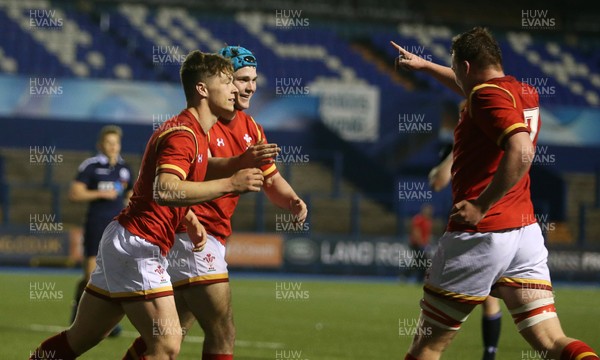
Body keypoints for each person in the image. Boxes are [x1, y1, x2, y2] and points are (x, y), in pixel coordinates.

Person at [29, 50, 265, 359]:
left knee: (79, 339)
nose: (236, 89)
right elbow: (166, 189)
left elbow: (167, 189)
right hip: (139, 246)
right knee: (166, 346)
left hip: (127, 241)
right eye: (227, 82)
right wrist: (232, 183)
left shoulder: (195, 132)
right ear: (202, 89)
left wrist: (190, 220)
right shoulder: (184, 134)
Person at [391, 27, 598, 360]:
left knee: (427, 346)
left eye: (456, 66)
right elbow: (473, 90)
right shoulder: (523, 91)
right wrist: (426, 66)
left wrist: (480, 205)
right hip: (525, 234)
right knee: (550, 340)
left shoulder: (485, 96)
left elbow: (522, 151)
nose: (456, 74)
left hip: (481, 234)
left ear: (467, 66)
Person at [123, 46, 308, 360]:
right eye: (241, 79)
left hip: (210, 237)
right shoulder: (202, 123)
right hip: (195, 236)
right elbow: (189, 173)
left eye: (254, 79)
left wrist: (292, 201)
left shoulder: (252, 128)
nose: (249, 87)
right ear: (220, 83)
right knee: (222, 331)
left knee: (171, 333)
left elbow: (270, 179)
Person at [429, 101, 502, 360]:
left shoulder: (470, 145)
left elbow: (437, 181)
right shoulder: (499, 139)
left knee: (443, 308)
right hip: (502, 230)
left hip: (477, 231)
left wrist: (451, 153)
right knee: (493, 300)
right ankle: (489, 354)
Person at [68, 124, 133, 337]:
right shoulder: (91, 166)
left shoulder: (125, 169)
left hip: (119, 228)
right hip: (96, 224)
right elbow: (75, 194)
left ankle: (107, 323)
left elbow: (131, 194)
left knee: (115, 276)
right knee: (90, 275)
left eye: (116, 143)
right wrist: (100, 194)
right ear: (100, 145)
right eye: (109, 142)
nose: (113, 146)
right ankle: (79, 312)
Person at [408, 204, 433, 282]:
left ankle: (418, 278)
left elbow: (428, 234)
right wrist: (421, 244)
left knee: (419, 262)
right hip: (415, 244)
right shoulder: (418, 219)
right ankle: (416, 277)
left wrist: (427, 244)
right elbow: (416, 232)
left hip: (423, 245)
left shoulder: (429, 221)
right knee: (422, 261)